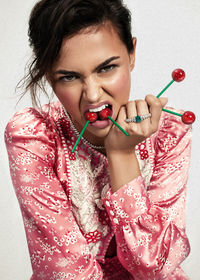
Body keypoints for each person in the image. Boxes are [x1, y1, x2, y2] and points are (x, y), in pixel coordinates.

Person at [4, 0, 192, 279]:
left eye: (106, 68)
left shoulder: (169, 132)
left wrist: (122, 155)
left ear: (132, 54)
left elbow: (158, 266)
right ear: (48, 77)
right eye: (69, 76)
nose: (92, 95)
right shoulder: (34, 137)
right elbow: (65, 273)